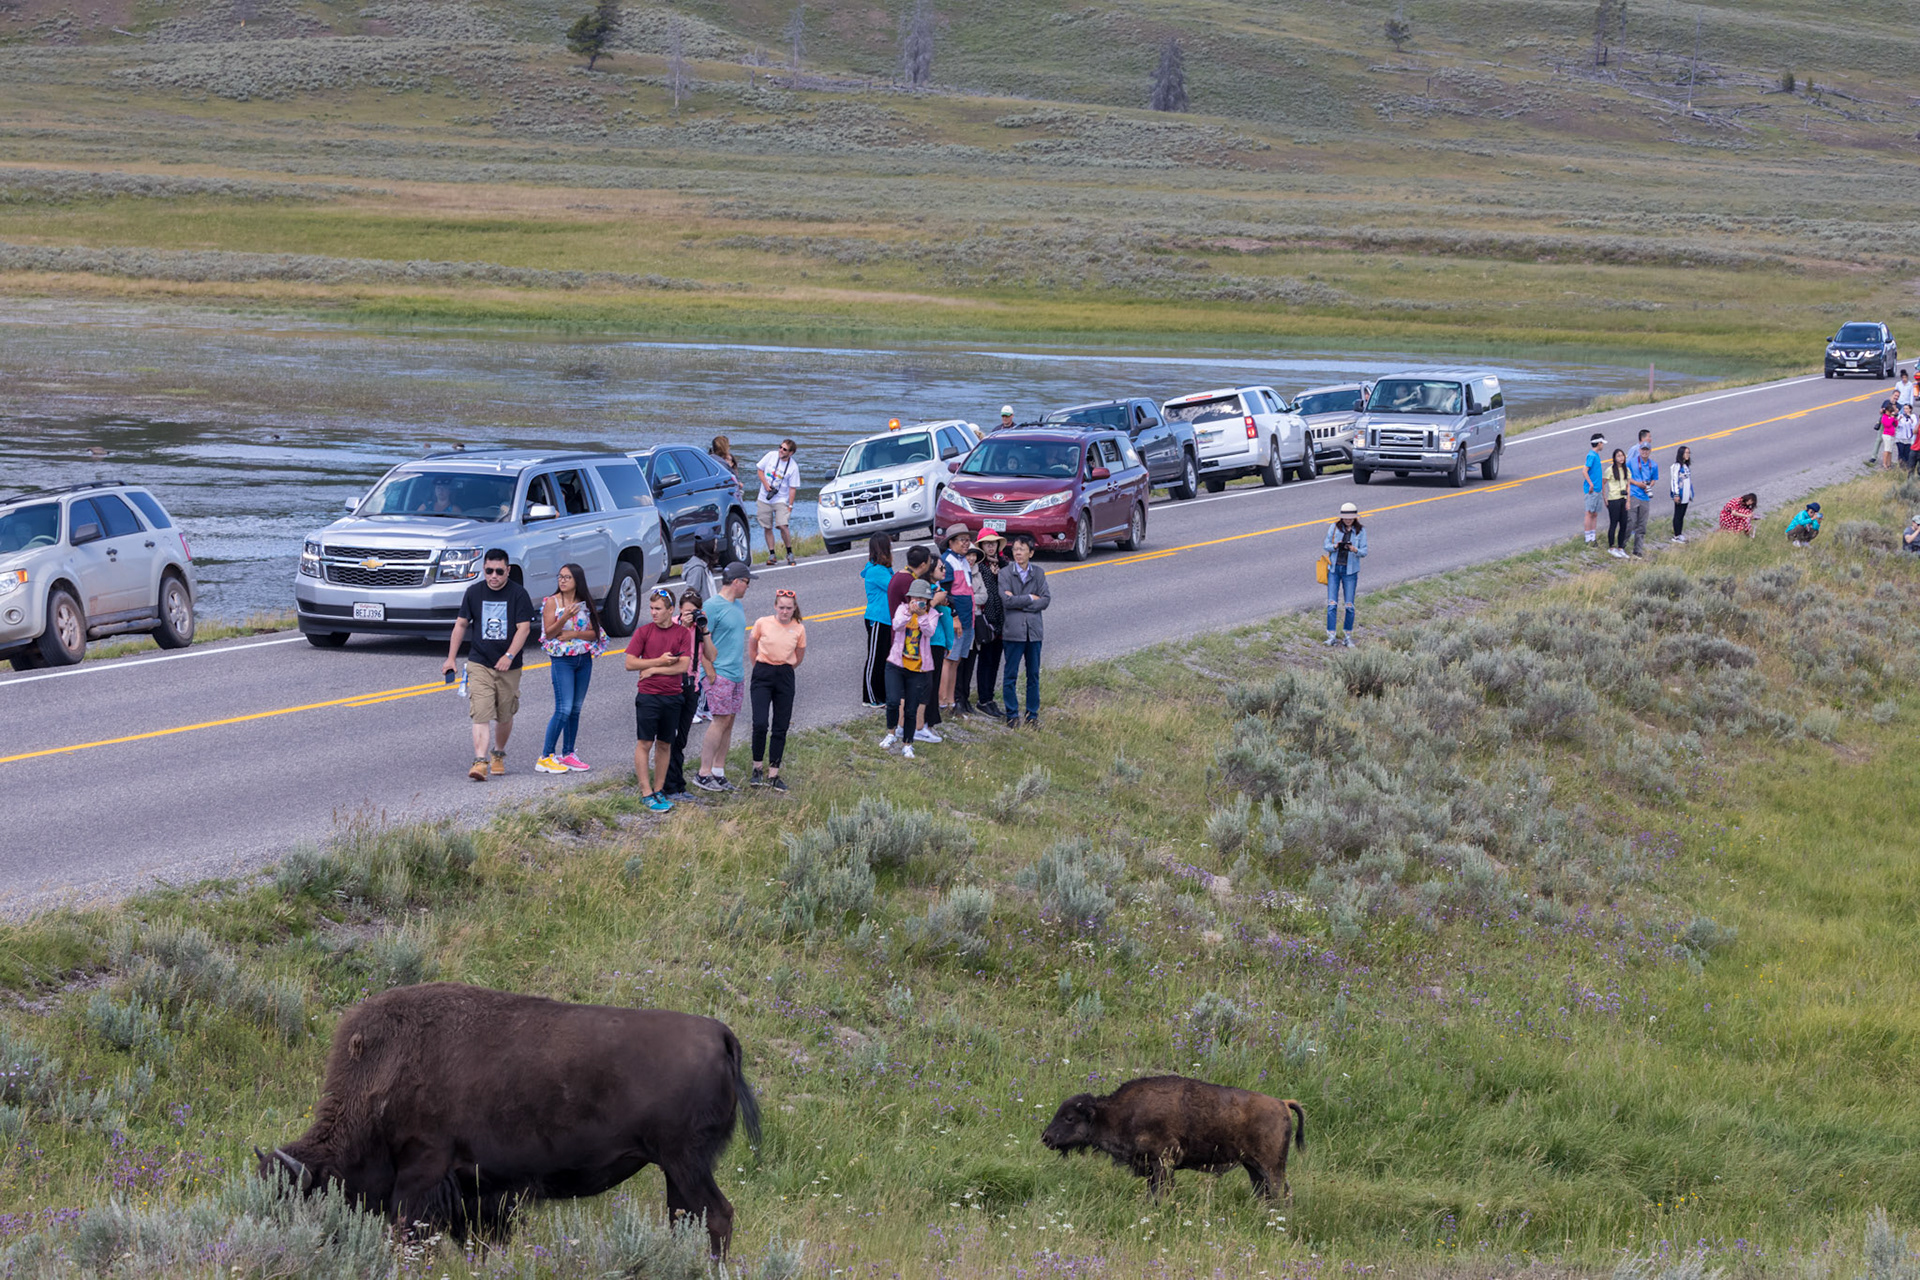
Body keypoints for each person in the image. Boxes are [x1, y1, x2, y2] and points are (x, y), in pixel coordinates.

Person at [442, 549, 534, 782]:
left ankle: (498, 753)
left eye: (499, 571)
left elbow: (523, 628)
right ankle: (480, 761)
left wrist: (509, 655)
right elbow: (461, 625)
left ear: (508, 571)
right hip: (479, 662)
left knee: (504, 714)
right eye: (489, 571)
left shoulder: (518, 594)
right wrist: (451, 658)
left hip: (509, 665)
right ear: (483, 569)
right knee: (480, 712)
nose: (494, 576)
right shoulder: (474, 592)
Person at [624, 586, 692, 813]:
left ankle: (659, 789)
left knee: (665, 744)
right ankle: (646, 792)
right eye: (651, 608)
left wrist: (654, 669)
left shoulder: (681, 633)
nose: (653, 613)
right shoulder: (644, 632)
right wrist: (660, 662)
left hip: (672, 696)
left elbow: (683, 666)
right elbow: (630, 663)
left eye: (658, 609)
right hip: (648, 696)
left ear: (670, 610)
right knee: (645, 742)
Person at [535, 562, 603, 776]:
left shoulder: (585, 603)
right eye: (560, 576)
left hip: (583, 659)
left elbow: (595, 633)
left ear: (577, 581)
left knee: (575, 708)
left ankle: (568, 753)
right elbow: (549, 634)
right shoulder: (551, 603)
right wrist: (563, 618)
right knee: (563, 708)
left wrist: (574, 634)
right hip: (562, 660)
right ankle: (546, 757)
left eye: (567, 577)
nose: (562, 580)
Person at [695, 561, 752, 791]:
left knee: (729, 721)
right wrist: (710, 674)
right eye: (746, 583)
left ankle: (718, 771)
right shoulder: (713, 606)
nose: (748, 587)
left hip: (736, 673)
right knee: (719, 720)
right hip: (719, 673)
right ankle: (703, 773)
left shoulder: (737, 605)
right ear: (736, 582)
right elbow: (701, 640)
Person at [747, 589, 806, 791]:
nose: (784, 611)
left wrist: (785, 668)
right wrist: (759, 666)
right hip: (763, 672)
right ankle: (757, 768)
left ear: (794, 608)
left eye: (789, 608)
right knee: (760, 723)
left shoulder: (798, 628)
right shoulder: (762, 623)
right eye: (781, 607)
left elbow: (799, 654)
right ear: (775, 606)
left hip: (785, 675)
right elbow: (752, 646)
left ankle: (774, 773)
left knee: (780, 726)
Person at [661, 591, 715, 798]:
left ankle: (678, 784)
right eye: (686, 612)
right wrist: (683, 626)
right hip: (672, 686)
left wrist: (705, 630)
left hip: (691, 688)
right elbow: (668, 653)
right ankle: (668, 785)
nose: (690, 616)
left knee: (681, 740)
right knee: (670, 739)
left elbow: (711, 656)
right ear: (679, 611)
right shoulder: (672, 625)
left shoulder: (700, 628)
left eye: (694, 612)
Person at [881, 579, 938, 759]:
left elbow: (929, 632)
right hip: (896, 663)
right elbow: (896, 625)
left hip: (918, 668)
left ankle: (908, 743)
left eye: (923, 599)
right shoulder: (902, 609)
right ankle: (891, 733)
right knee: (892, 700)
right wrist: (909, 614)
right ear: (910, 597)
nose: (918, 601)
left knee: (911, 709)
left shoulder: (932, 614)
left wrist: (921, 615)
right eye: (915, 597)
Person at [998, 532, 1050, 727]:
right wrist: (1030, 598)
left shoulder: (1038, 573)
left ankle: (1032, 714)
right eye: (1015, 549)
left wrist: (1019, 601)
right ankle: (1012, 713)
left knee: (1033, 674)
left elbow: (1045, 600)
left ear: (1031, 552)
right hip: (1013, 631)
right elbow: (1007, 600)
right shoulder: (1005, 573)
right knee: (1010, 673)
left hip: (1034, 631)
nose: (1017, 553)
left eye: (1022, 549)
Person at [966, 528, 1006, 718]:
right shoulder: (978, 567)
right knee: (985, 661)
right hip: (986, 621)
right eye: (987, 543)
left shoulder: (1004, 564)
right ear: (981, 545)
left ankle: (989, 698)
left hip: (1001, 622)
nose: (991, 546)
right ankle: (983, 699)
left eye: (994, 542)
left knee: (995, 661)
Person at [938, 525, 975, 716]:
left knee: (957, 660)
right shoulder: (948, 561)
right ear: (951, 542)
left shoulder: (964, 561)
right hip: (955, 618)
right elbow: (945, 592)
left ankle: (951, 700)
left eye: (967, 540)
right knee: (949, 658)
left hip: (968, 618)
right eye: (961, 539)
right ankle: (942, 701)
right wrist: (954, 616)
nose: (966, 543)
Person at [1323, 502, 1367, 647]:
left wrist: (1354, 549)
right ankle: (1331, 635)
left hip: (1350, 571)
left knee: (1349, 605)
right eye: (1345, 518)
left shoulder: (1361, 531)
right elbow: (1326, 544)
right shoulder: (1334, 528)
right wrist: (1336, 546)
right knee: (1332, 604)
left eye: (1350, 518)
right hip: (1334, 570)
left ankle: (1347, 636)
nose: (1348, 520)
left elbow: (1364, 551)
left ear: (1355, 518)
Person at [860, 533, 894, 709]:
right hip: (878, 619)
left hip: (887, 620)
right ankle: (870, 697)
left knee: (884, 658)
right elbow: (895, 587)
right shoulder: (875, 571)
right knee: (875, 659)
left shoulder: (884, 570)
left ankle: (882, 694)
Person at [755, 439, 801, 566]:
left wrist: (790, 506)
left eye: (784, 449)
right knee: (767, 526)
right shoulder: (770, 456)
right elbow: (760, 470)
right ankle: (772, 554)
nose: (781, 450)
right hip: (764, 498)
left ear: (791, 453)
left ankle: (789, 552)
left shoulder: (793, 467)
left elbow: (793, 488)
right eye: (780, 447)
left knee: (783, 525)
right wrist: (765, 484)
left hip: (781, 499)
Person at [1626, 439, 1659, 558]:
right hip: (1634, 494)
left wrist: (1649, 486)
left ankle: (1637, 550)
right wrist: (1637, 484)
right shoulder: (1632, 462)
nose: (1644, 452)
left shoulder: (1653, 465)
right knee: (1631, 522)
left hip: (1645, 497)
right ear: (1639, 450)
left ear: (1650, 451)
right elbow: (1626, 477)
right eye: (1643, 450)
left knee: (1642, 525)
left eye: (1647, 450)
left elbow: (1654, 478)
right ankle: (1622, 546)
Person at [1604, 448, 1631, 557]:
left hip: (1623, 498)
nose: (1621, 458)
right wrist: (1605, 498)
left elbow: (1628, 486)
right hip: (1613, 499)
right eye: (1618, 456)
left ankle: (1621, 547)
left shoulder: (1626, 470)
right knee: (1614, 523)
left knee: (1623, 524)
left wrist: (1628, 500)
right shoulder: (1610, 470)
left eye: (1622, 456)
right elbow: (1603, 483)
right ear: (1614, 458)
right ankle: (1611, 547)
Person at [1581, 432, 1606, 547]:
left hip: (1598, 489)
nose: (1603, 445)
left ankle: (1593, 537)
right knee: (1589, 513)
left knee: (1595, 514)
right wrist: (1590, 484)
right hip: (1592, 490)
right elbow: (1584, 471)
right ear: (1598, 443)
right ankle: (1587, 538)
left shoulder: (1596, 455)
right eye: (1602, 443)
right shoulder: (1591, 455)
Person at [682, 536, 721, 603]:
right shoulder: (697, 569)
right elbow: (690, 596)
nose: (716, 547)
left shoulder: (704, 565)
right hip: (703, 611)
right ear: (709, 546)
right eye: (715, 544)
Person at [1668, 446, 1694, 543]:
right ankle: (1676, 536)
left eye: (1689, 453)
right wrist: (1676, 494)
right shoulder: (1676, 466)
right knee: (1678, 515)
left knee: (1682, 515)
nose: (1688, 455)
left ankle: (1680, 533)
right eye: (1686, 453)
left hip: (1686, 495)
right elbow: (1674, 481)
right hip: (1680, 494)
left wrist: (1691, 493)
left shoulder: (1686, 466)